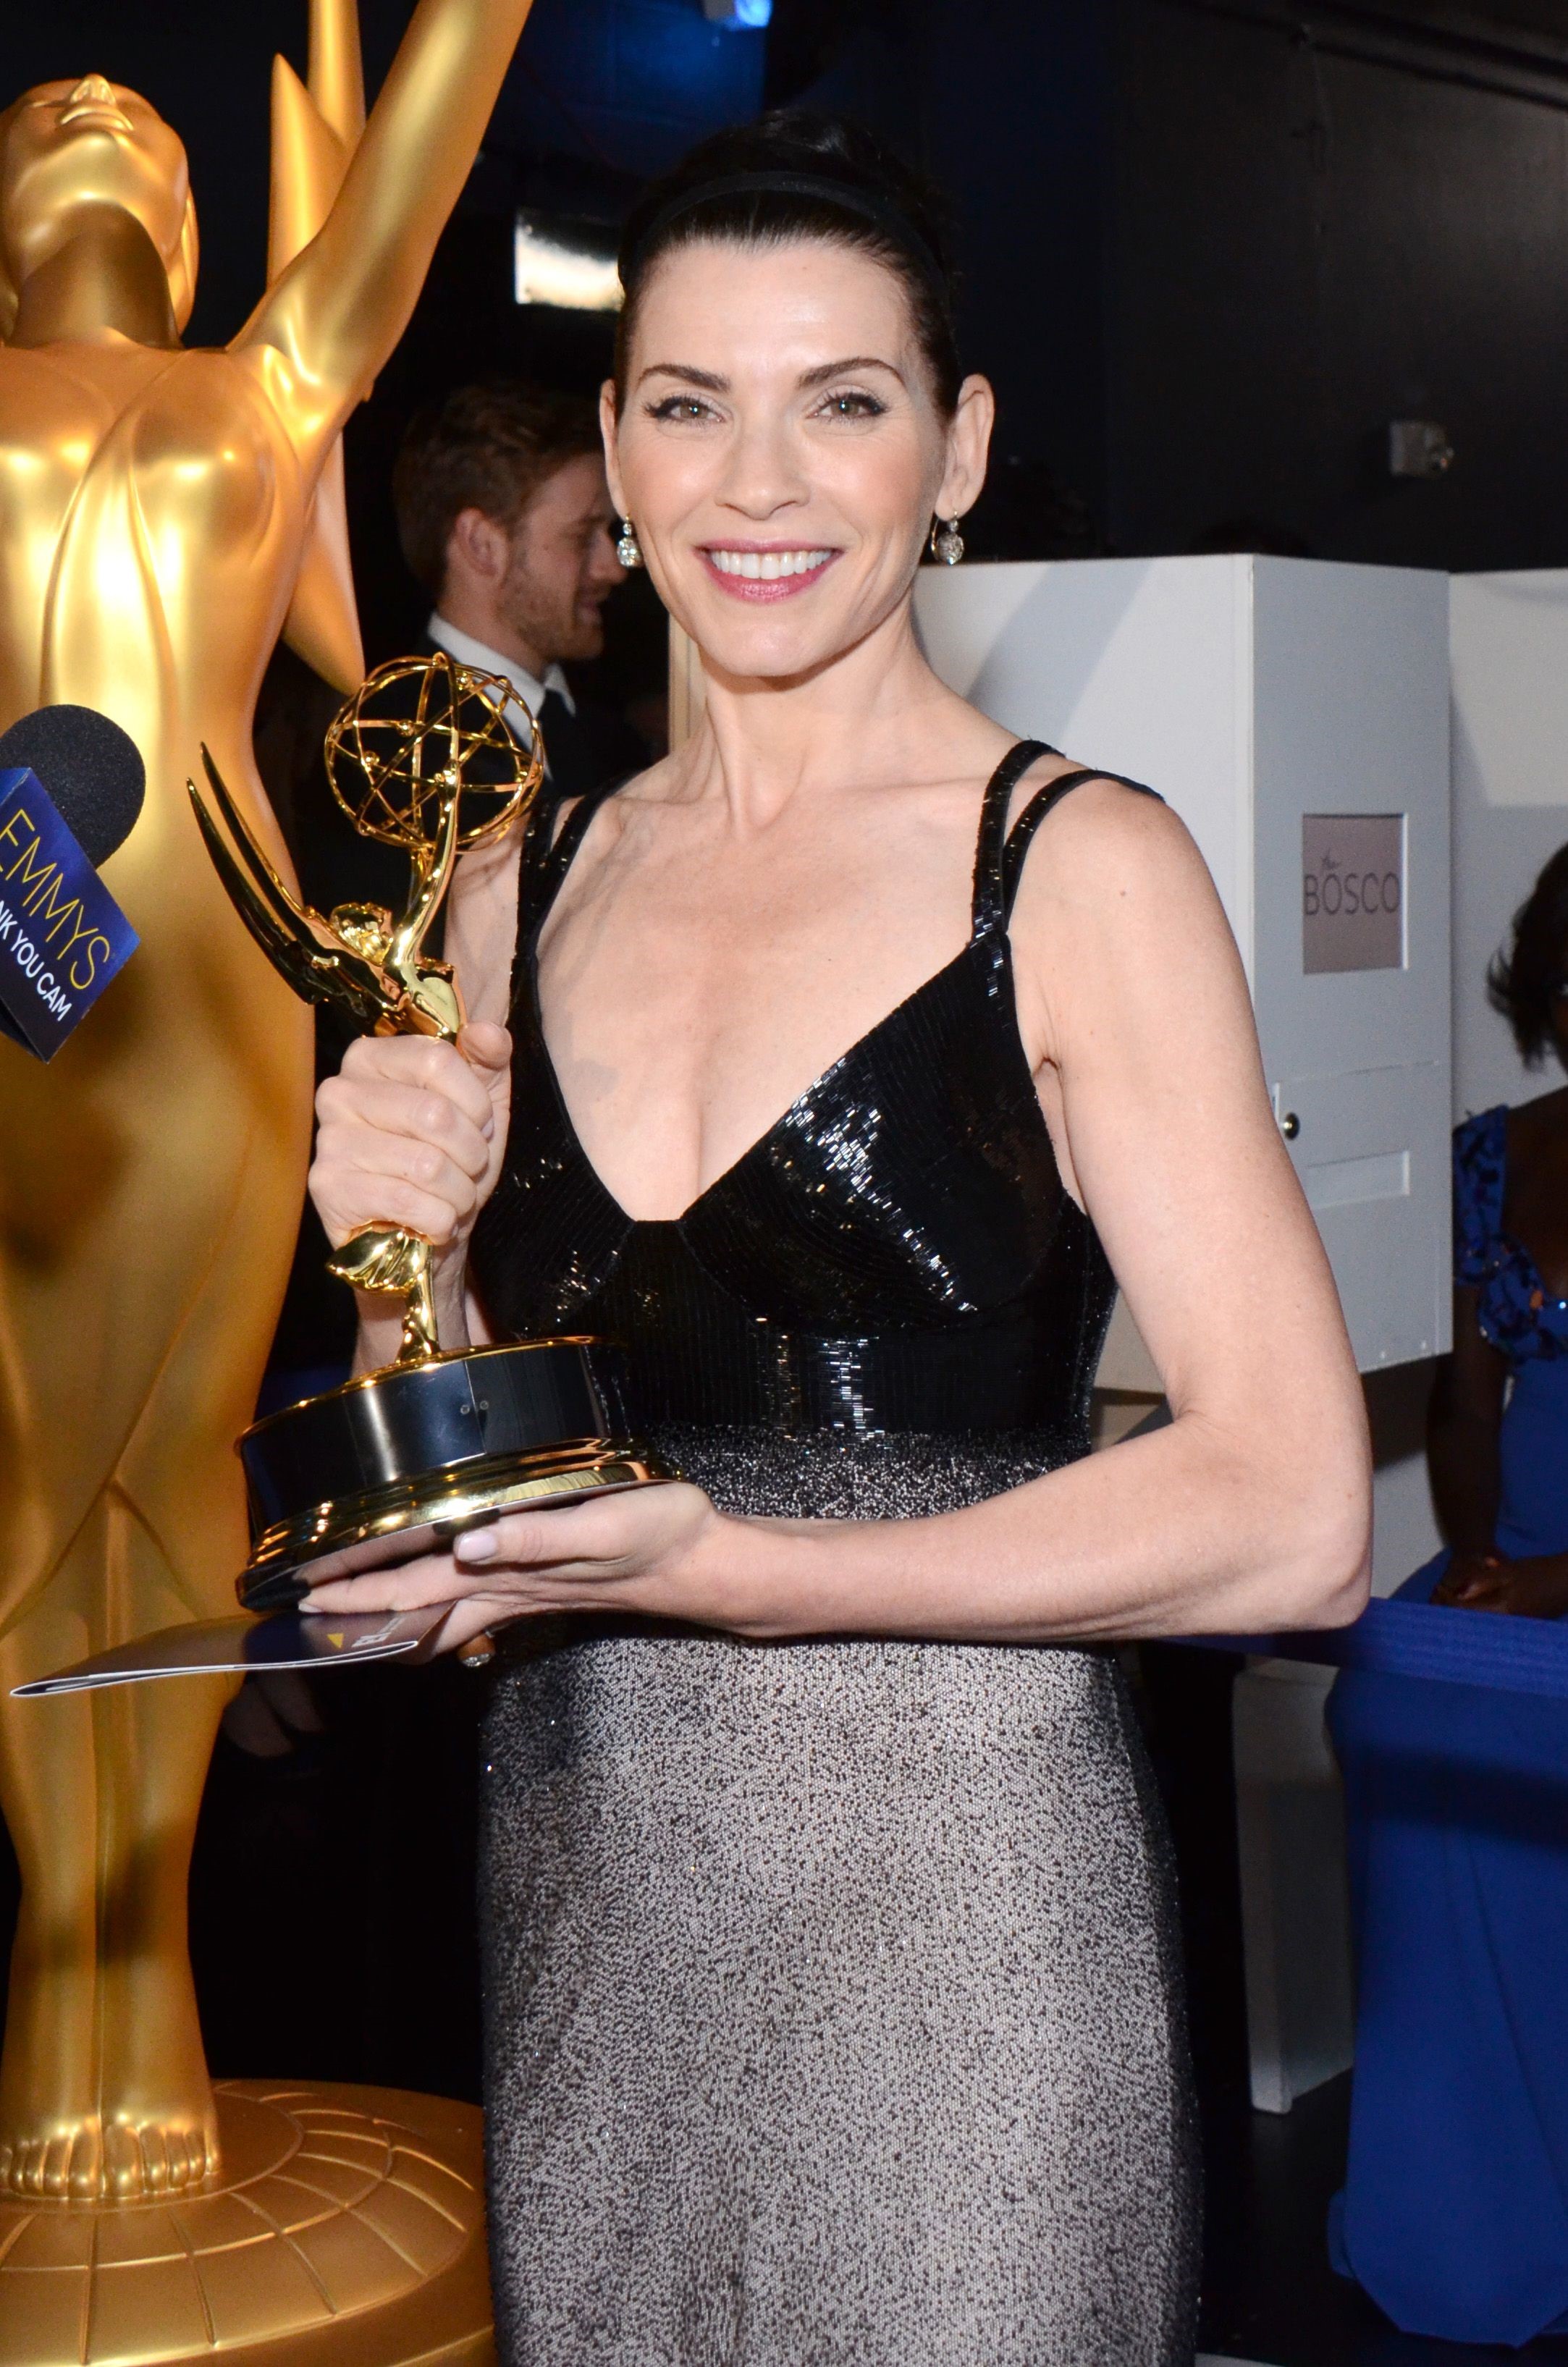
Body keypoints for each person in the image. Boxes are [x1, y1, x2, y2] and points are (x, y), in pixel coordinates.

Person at [303, 110, 1370, 2366]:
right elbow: (462, 1503)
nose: (759, 483)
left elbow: (1288, 1509)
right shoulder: (513, 887)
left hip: (963, 1946)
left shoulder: (1072, 872)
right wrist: (393, 1265)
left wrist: (746, 1570)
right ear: (615, 454)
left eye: (842, 402)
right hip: (594, 1934)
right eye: (691, 406)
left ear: (952, 449)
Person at [1329, 844, 1568, 2347]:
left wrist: (1551, 1585)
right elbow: (1464, 1408)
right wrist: (1481, 1558)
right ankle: (1465, 2210)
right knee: (1397, 1705)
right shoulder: (1494, 1155)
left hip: (1561, 1582)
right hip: (1517, 1560)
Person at [396, 378, 647, 798]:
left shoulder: (616, 743)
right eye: (582, 537)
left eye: (608, 532)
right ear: (482, 545)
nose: (615, 569)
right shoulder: (397, 756)